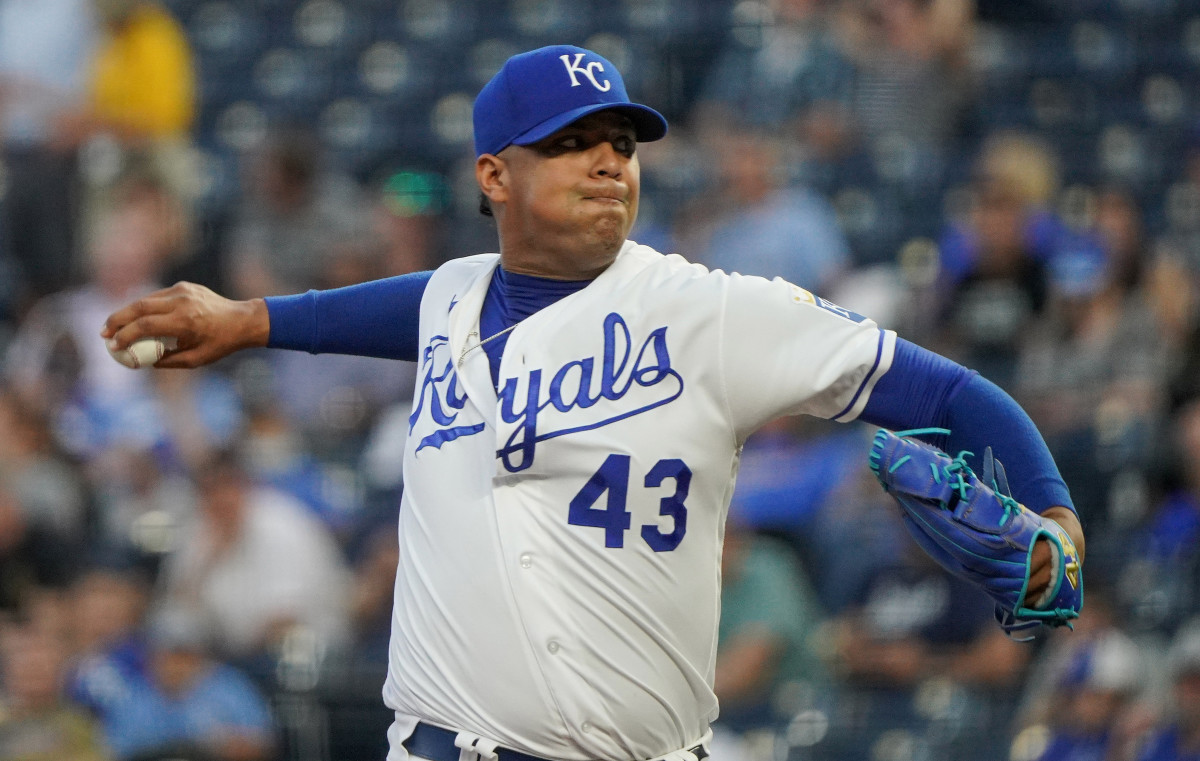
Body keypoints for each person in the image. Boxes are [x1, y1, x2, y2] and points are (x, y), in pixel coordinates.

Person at [103, 45, 1085, 761]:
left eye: (620, 139)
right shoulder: (452, 296)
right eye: (571, 143)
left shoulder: (712, 312)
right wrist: (253, 317)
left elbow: (953, 392)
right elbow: (402, 308)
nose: (609, 159)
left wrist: (1058, 518)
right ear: (496, 174)